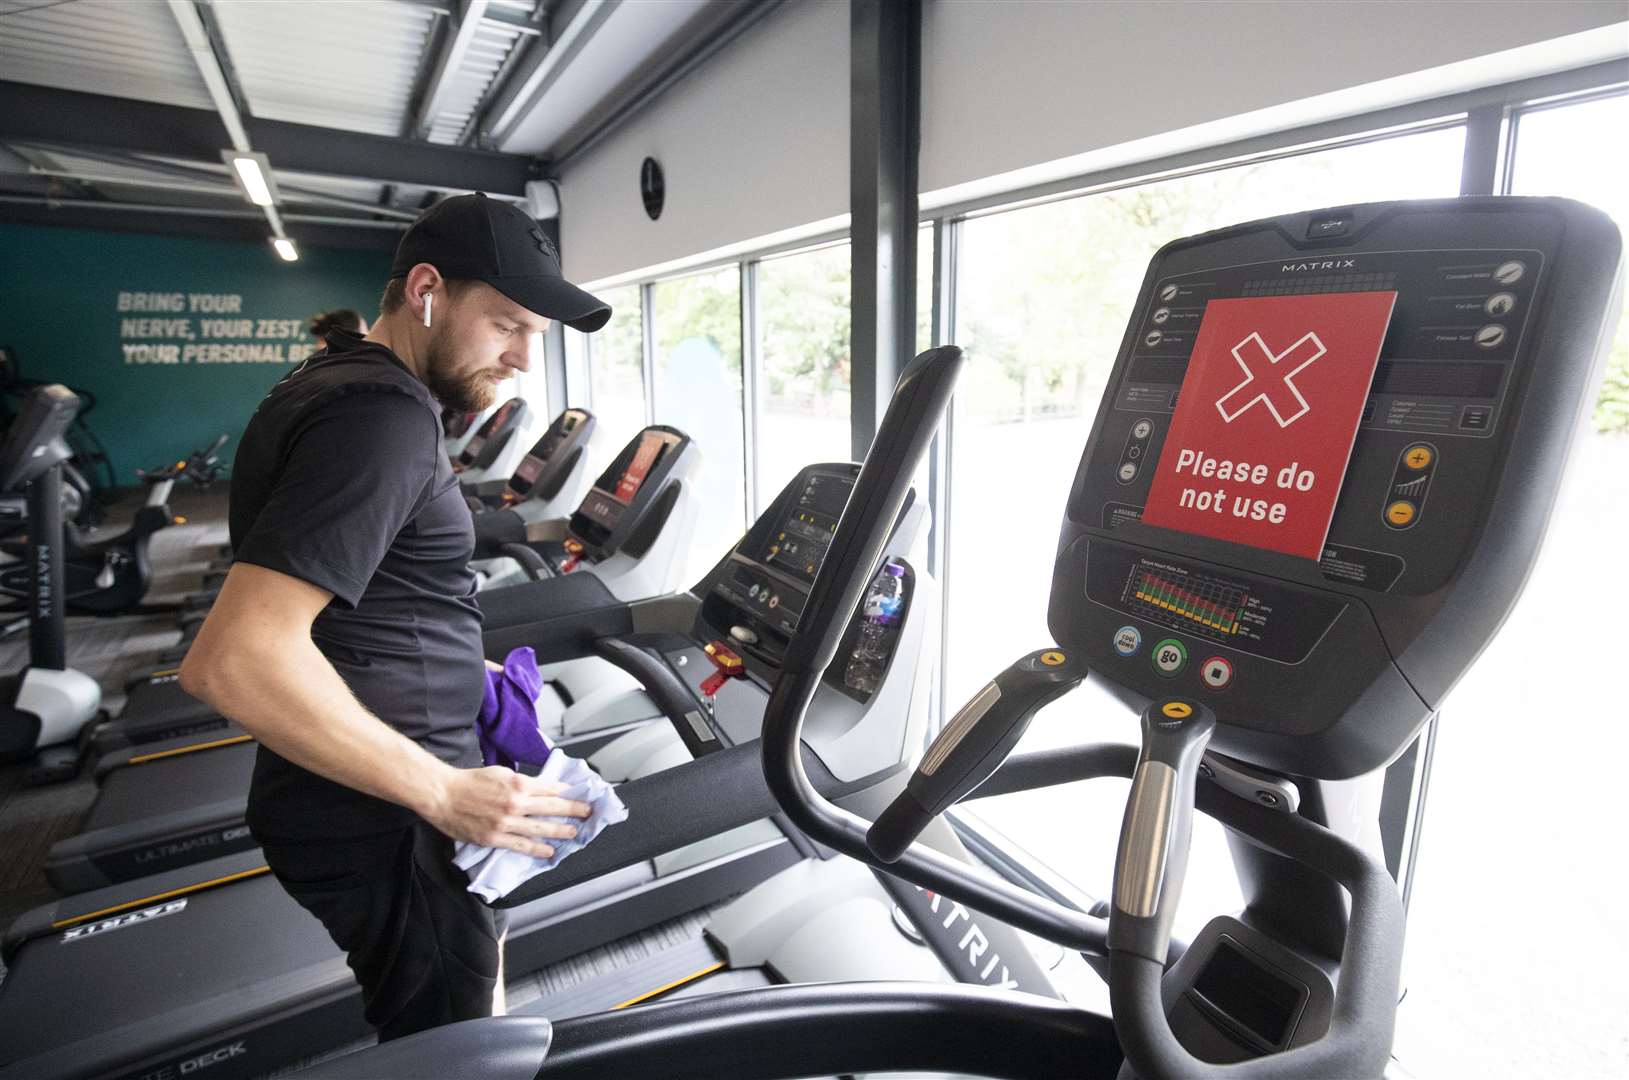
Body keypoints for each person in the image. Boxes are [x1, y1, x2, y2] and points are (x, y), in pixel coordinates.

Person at [179, 193, 612, 1041]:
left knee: (466, 986)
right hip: (388, 818)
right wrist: (446, 793)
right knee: (452, 1048)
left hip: (365, 793)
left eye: (537, 334)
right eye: (507, 324)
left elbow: (360, 594)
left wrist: (462, 670)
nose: (525, 357)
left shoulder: (343, 382)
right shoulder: (378, 417)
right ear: (426, 290)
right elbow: (232, 661)